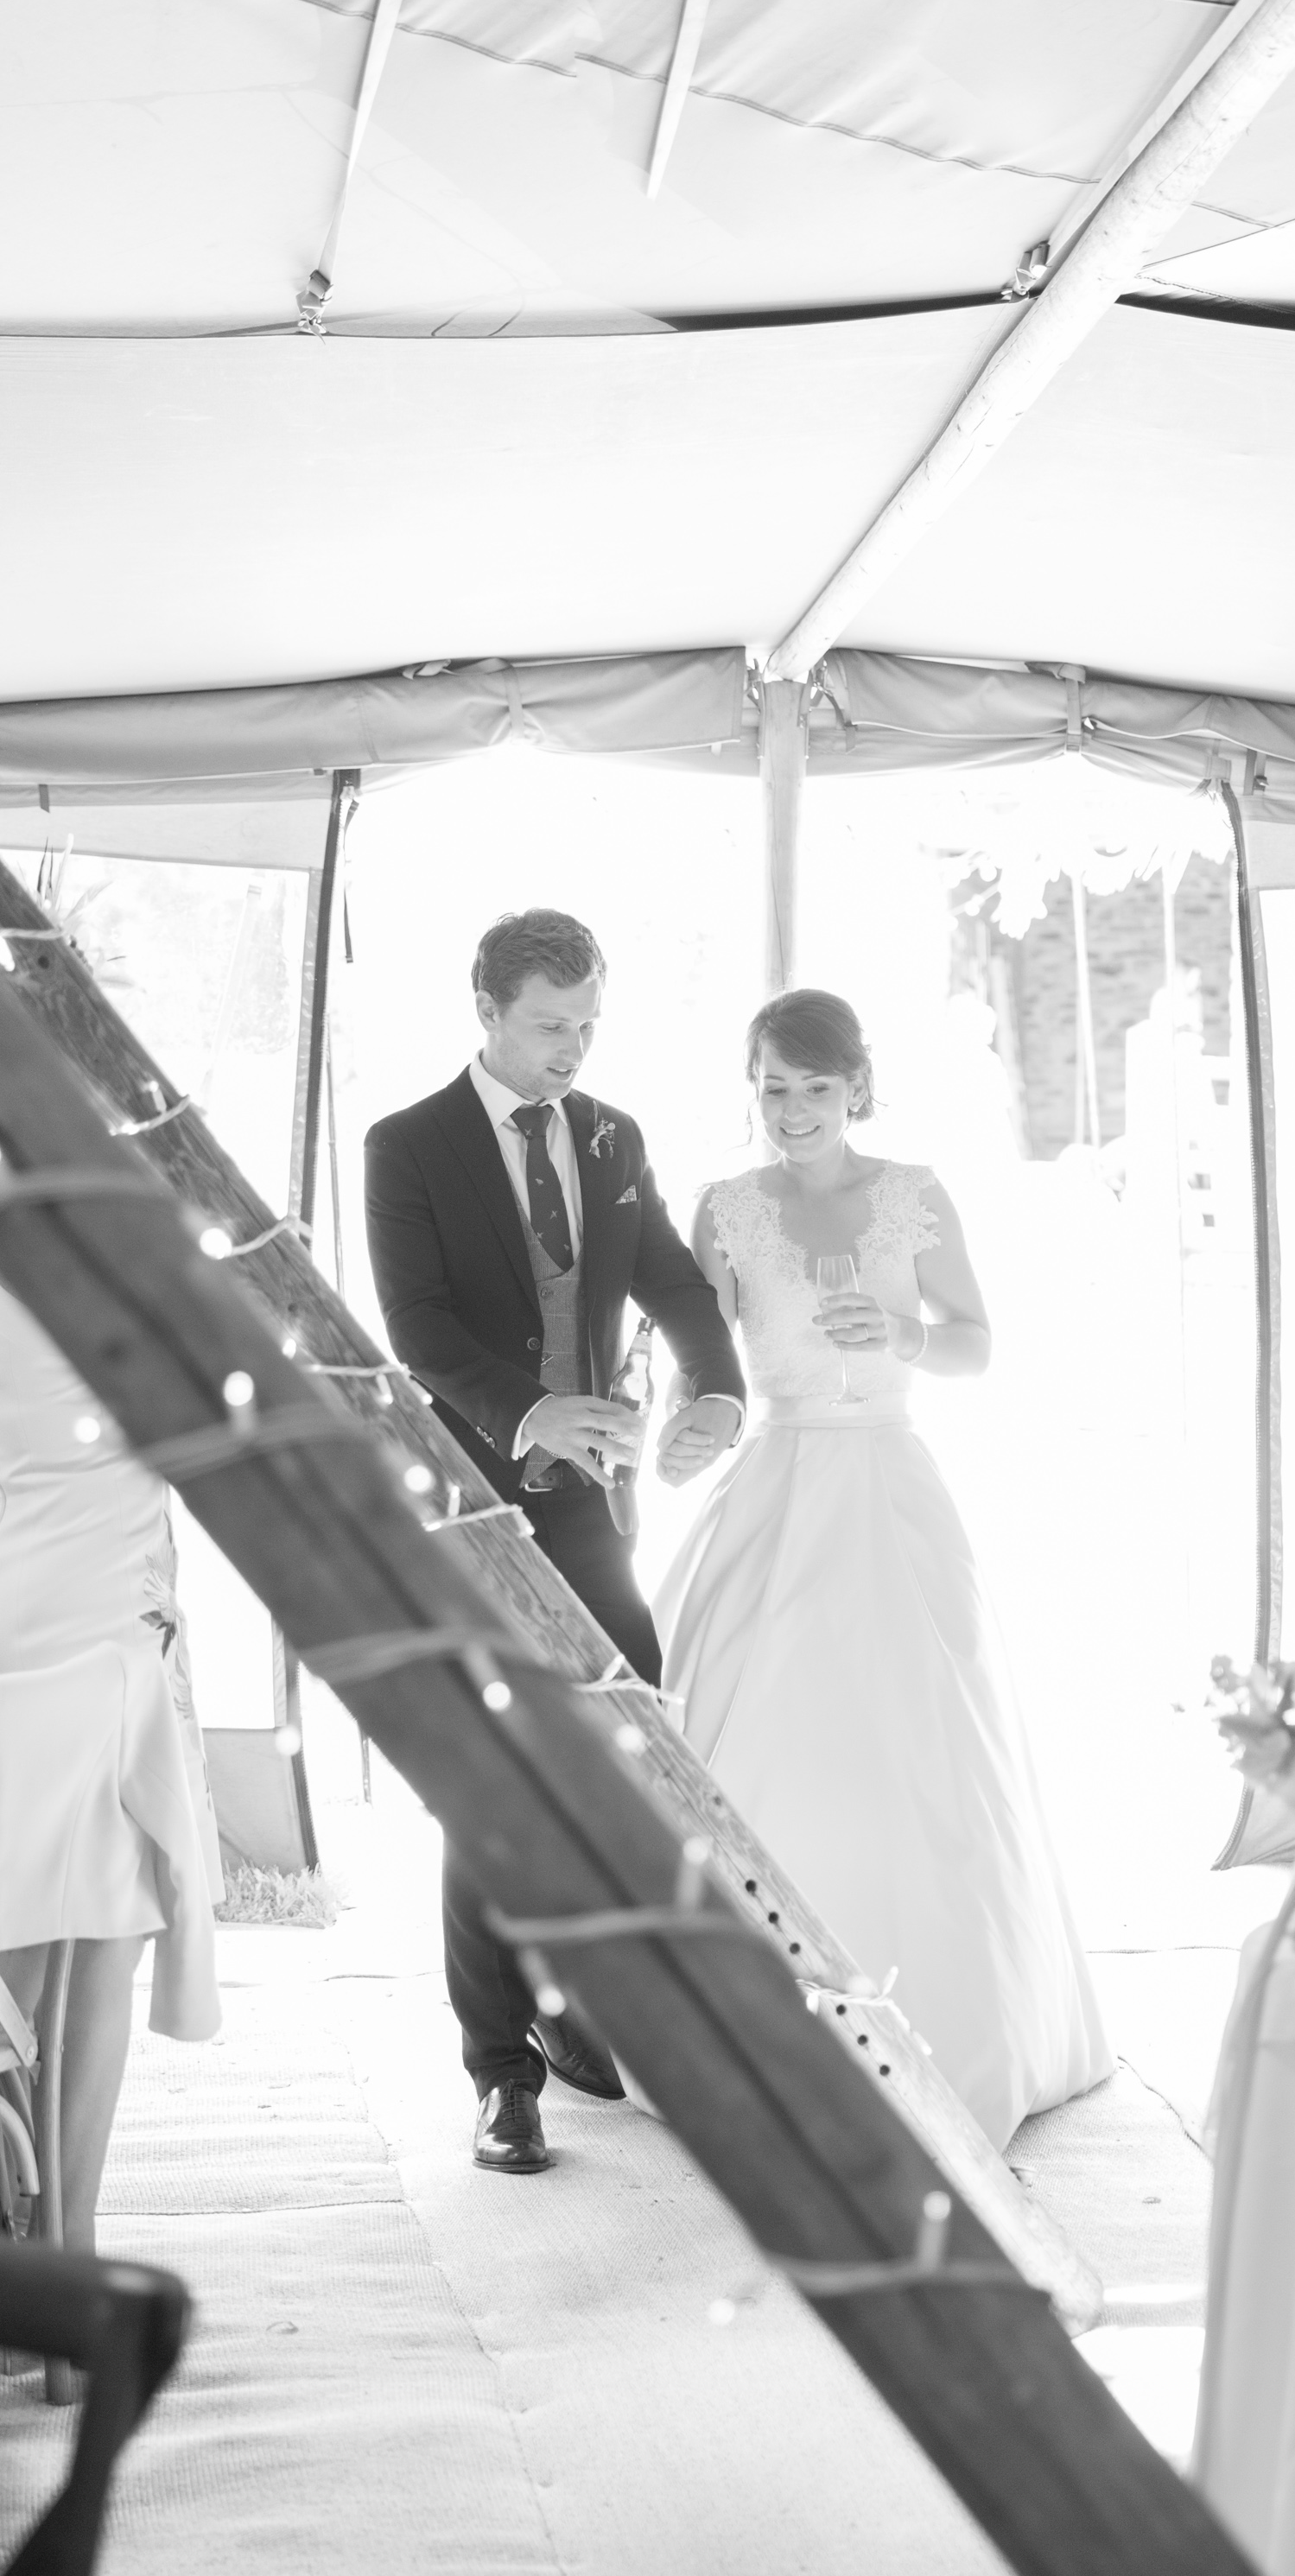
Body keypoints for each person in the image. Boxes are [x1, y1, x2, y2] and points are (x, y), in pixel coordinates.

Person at [653, 990, 1112, 2150]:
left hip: (893, 1489)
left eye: (815, 1087)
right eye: (773, 1086)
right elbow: (703, 1366)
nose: (793, 1110)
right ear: (749, 1087)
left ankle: (957, 2024)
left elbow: (977, 1340)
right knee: (759, 1739)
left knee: (921, 1740)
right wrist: (687, 1422)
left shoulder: (913, 1194)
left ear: (855, 1085)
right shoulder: (723, 1210)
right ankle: (749, 2033)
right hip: (774, 1488)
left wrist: (903, 1338)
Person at [363, 908, 746, 2176]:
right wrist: (525, 1408)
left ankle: (580, 1996)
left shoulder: (612, 1136)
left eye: (586, 1026)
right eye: (547, 1027)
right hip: (466, 1499)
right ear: (487, 1010)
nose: (571, 1050)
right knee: (493, 1776)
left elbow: (676, 1285)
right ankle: (502, 2072)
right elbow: (415, 1326)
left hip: (589, 1505)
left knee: (629, 1740)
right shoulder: (406, 1144)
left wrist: (717, 1388)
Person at [0, 1282, 222, 2257]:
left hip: (87, 1605)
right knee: (103, 1901)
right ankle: (62, 2233)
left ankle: (38, 2224)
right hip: (99, 1621)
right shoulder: (120, 1245)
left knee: (72, 1902)